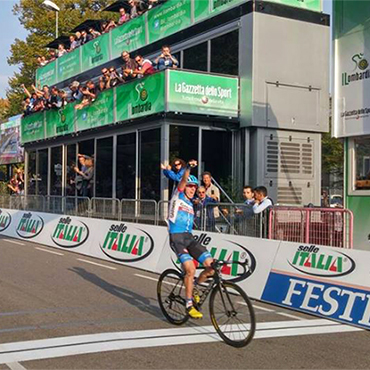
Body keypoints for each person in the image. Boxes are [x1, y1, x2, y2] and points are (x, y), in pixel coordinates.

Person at [168, 160, 214, 319]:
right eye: (189, 186)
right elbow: (183, 179)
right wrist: (187, 167)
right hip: (176, 238)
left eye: (194, 187)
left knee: (212, 266)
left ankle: (193, 286)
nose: (191, 189)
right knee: (190, 269)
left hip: (189, 238)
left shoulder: (192, 202)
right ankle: (188, 304)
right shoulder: (178, 194)